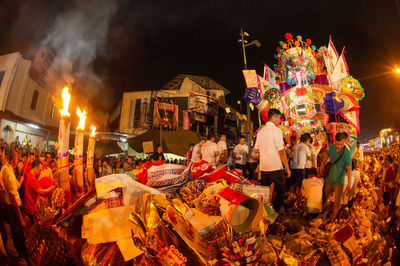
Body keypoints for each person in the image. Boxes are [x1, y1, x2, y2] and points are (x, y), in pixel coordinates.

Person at [254, 109, 290, 212]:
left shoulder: (261, 132)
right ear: (274, 118)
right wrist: (287, 168)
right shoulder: (277, 131)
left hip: (264, 167)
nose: (279, 120)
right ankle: (275, 211)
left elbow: (256, 149)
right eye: (279, 118)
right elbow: (282, 151)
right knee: (281, 192)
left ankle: (266, 213)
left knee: (266, 192)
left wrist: (265, 148)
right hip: (275, 167)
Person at [1, 149, 29, 261]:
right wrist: (21, 218)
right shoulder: (8, 173)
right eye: (17, 159)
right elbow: (13, 198)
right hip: (12, 208)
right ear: (14, 160)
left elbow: (15, 187)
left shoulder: (5, 168)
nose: (18, 161)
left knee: (15, 231)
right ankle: (21, 255)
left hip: (9, 205)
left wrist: (21, 181)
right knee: (17, 232)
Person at [321, 132, 352, 220]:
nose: (338, 146)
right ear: (334, 141)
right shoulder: (332, 147)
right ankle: (322, 212)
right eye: (337, 144)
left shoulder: (347, 153)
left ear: (345, 142)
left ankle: (333, 219)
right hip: (329, 178)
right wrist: (322, 163)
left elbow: (349, 169)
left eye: (340, 144)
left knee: (337, 201)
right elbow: (327, 154)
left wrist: (349, 184)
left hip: (339, 180)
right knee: (325, 196)